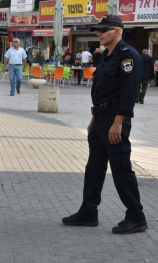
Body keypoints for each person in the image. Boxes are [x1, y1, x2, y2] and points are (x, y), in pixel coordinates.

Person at [62, 14, 147, 234]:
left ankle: (136, 217)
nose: (98, 33)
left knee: (121, 169)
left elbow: (129, 94)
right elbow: (101, 92)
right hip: (100, 119)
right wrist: (93, 119)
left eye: (103, 29)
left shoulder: (128, 56)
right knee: (94, 168)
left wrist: (118, 122)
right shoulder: (106, 56)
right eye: (97, 30)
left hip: (114, 121)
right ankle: (88, 212)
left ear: (117, 31)